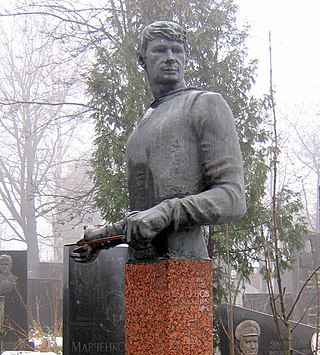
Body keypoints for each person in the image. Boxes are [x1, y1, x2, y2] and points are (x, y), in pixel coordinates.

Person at [71, 20, 246, 263]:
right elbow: (143, 219)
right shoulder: (145, 123)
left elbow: (233, 198)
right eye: (160, 50)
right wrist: (101, 237)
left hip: (183, 263)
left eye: (178, 50)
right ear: (142, 59)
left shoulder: (205, 104)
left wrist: (166, 212)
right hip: (142, 263)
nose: (171, 57)